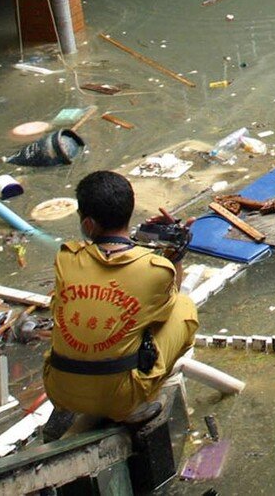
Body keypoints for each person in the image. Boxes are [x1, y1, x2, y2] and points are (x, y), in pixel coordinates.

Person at [43, 171, 199, 431]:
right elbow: (164, 307)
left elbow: (109, 253)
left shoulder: (66, 258)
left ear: (88, 223)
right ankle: (136, 403)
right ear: (130, 209)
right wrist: (175, 251)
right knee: (183, 308)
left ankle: (72, 402)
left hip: (59, 388)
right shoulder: (156, 269)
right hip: (119, 398)